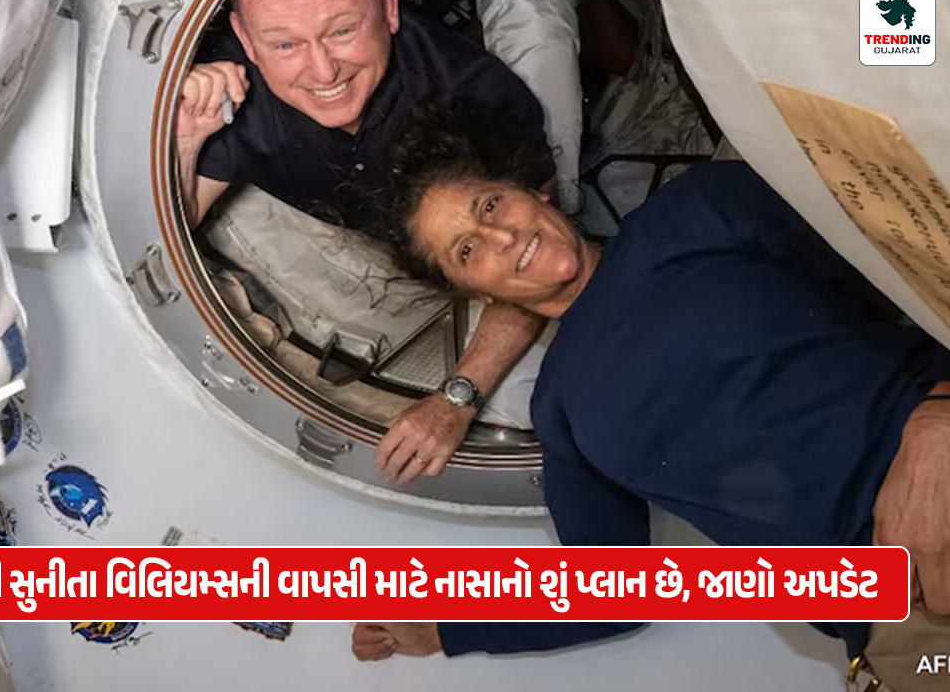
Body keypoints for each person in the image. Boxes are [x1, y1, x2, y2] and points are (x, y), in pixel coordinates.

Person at [351, 103, 950, 689]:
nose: (502, 237)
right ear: (476, 294)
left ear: (534, 191)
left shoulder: (696, 209)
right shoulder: (559, 409)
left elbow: (919, 272)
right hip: (902, 615)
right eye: (467, 250)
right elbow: (610, 592)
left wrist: (938, 414)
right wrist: (444, 628)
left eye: (490, 205)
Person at [175, 0, 562, 480]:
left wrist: (457, 397)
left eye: (342, 31)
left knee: (537, 24)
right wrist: (187, 139)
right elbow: (173, 226)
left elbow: (538, 257)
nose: (323, 70)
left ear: (390, 5)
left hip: (465, 243)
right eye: (285, 44)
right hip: (349, 234)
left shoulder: (475, 95)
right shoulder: (232, 86)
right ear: (246, 40)